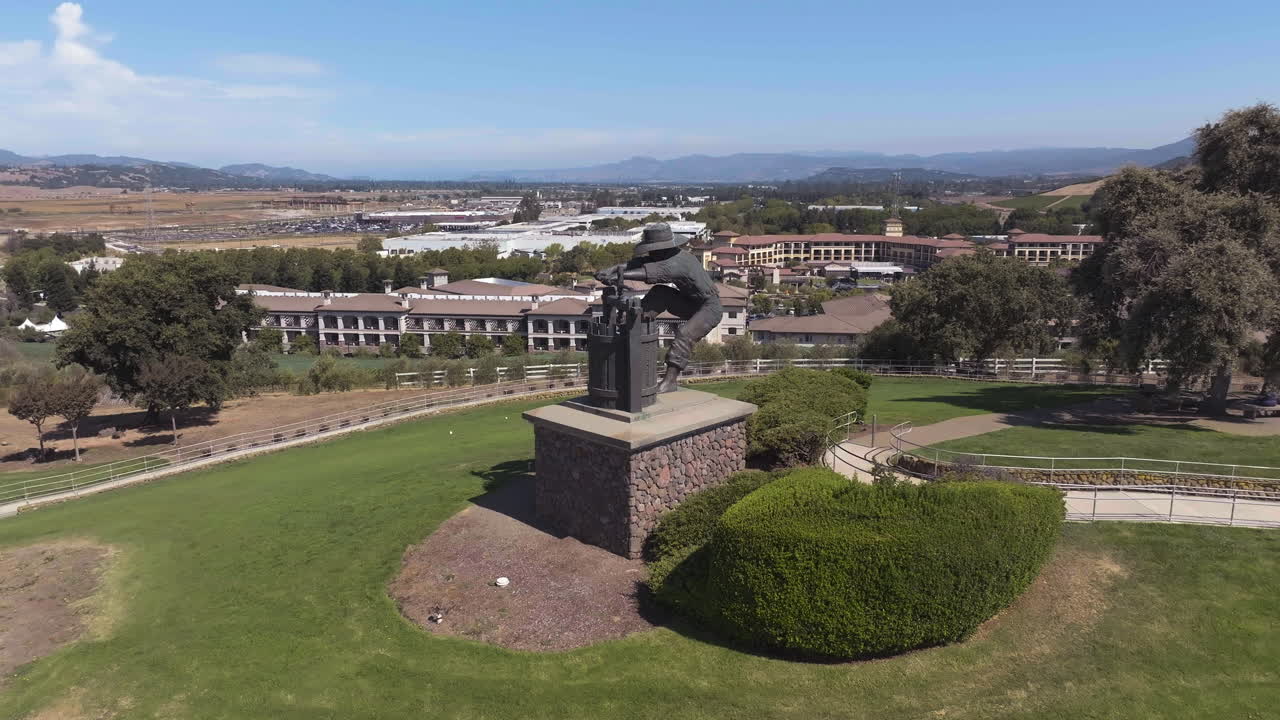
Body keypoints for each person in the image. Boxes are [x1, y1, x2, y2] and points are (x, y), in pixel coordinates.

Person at [596, 223, 722, 393]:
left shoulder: (679, 263)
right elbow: (640, 263)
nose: (651, 254)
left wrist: (619, 275)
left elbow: (652, 272)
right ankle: (632, 324)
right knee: (660, 293)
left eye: (653, 250)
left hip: (709, 308)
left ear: (663, 249)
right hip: (690, 302)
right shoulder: (666, 256)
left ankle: (670, 382)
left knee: (685, 334)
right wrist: (612, 269)